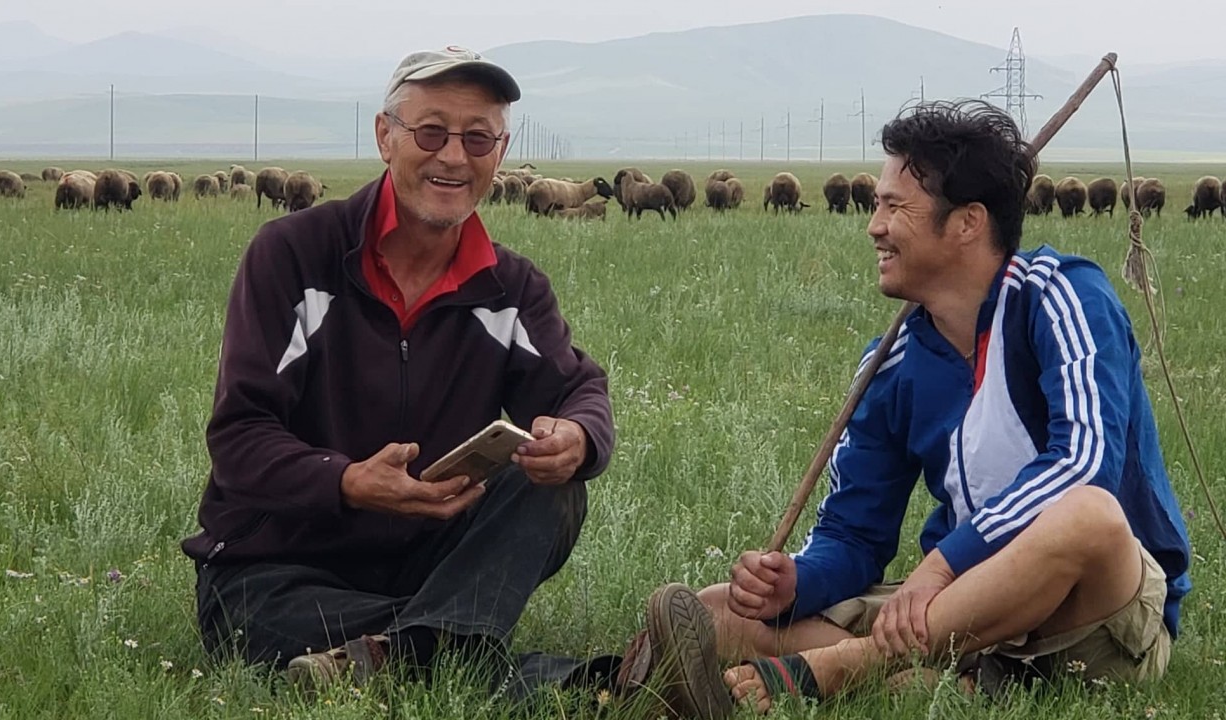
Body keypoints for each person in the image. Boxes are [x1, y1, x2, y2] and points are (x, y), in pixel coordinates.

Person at [180, 45, 675, 702]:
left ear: (501, 152)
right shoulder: (294, 258)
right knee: (277, 622)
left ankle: (391, 653)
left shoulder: (512, 288)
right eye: (432, 132)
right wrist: (349, 482)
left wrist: (578, 436)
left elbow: (577, 388)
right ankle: (584, 687)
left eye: (478, 138)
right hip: (276, 569)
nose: (453, 157)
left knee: (548, 482)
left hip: (425, 566)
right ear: (385, 136)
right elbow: (240, 437)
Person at [697, 99, 1193, 714]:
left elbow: (1084, 467)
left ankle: (852, 666)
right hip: (967, 616)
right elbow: (853, 533)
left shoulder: (1060, 298)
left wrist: (940, 567)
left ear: (966, 222)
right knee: (716, 611)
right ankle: (931, 682)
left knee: (1087, 514)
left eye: (894, 207)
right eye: (876, 205)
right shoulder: (890, 363)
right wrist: (798, 582)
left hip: (1092, 618)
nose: (873, 226)